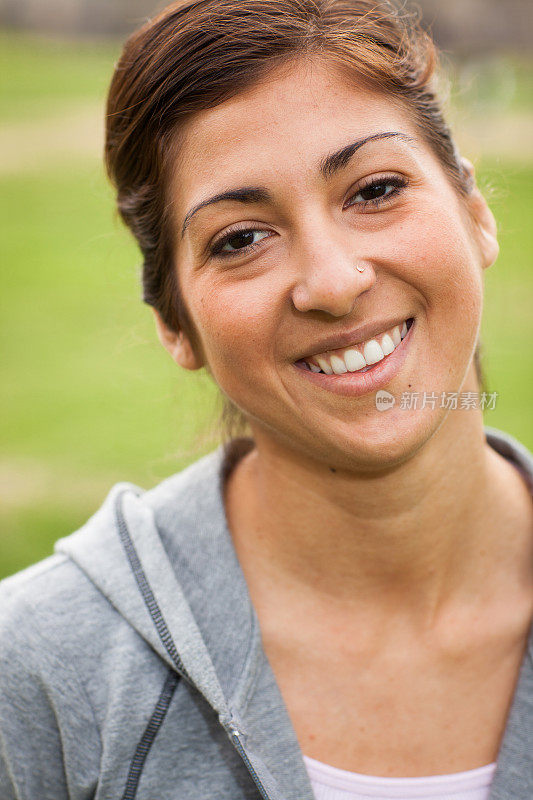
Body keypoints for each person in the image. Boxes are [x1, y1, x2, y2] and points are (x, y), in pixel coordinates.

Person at [1, 0, 532, 798]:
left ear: (474, 212)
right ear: (175, 324)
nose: (331, 282)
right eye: (240, 238)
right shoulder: (39, 669)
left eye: (375, 188)